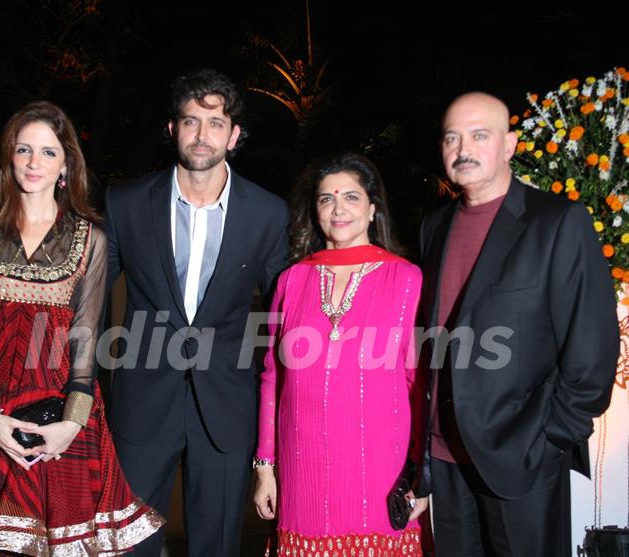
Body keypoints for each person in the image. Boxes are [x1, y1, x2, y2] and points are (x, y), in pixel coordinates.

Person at [0, 101, 163, 556]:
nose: (33, 162)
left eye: (48, 152)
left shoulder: (91, 241)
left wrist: (70, 425)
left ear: (66, 164)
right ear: (9, 157)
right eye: (24, 150)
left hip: (60, 421)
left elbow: (86, 343)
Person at [417, 92, 619, 556]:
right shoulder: (435, 226)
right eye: (452, 137)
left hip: (522, 455)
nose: (462, 148)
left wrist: (552, 437)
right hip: (446, 458)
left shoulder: (557, 222)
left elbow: (592, 346)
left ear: (508, 145)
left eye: (479, 135)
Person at [104, 68, 289, 556]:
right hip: (142, 404)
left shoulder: (268, 213)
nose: (202, 135)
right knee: (131, 545)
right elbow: (88, 301)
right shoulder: (124, 203)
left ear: (234, 134)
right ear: (172, 130)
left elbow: (285, 316)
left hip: (227, 409)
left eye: (215, 123)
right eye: (190, 121)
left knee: (218, 545)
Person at [253, 153, 427, 556]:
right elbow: (271, 379)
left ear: (372, 209)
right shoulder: (292, 280)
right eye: (326, 199)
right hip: (302, 464)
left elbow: (416, 381)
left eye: (351, 197)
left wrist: (423, 473)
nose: (338, 208)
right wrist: (265, 468)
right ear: (315, 211)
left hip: (381, 464)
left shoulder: (405, 278)